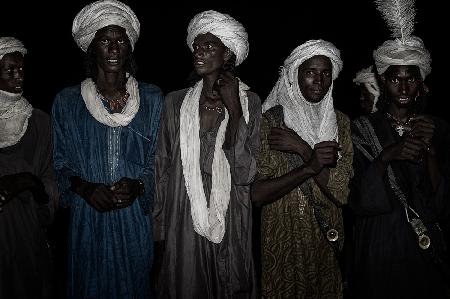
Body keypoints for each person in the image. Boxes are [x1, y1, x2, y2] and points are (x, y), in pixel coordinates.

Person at [51, 1, 163, 298]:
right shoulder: (67, 102)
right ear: (92, 48)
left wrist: (138, 186)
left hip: (134, 222)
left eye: (120, 41)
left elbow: (159, 162)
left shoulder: (151, 100)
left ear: (130, 48)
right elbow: (60, 164)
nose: (113, 49)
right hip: (88, 220)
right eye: (105, 41)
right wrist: (85, 188)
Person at [153, 10, 261, 298]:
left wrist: (235, 110)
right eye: (196, 47)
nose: (199, 52)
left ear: (227, 54)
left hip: (231, 214)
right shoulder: (175, 102)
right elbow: (162, 167)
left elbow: (245, 172)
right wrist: (160, 230)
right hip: (182, 214)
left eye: (209, 46)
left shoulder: (250, 101)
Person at [350, 0, 450, 297]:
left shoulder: (439, 128)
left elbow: (442, 202)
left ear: (421, 83)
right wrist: (386, 156)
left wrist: (430, 150)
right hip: (380, 244)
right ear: (383, 80)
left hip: (424, 244)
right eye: (395, 79)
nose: (403, 88)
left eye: (411, 79)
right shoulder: (361, 129)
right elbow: (357, 199)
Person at [252, 39, 354, 298]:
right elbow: (257, 195)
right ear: (294, 75)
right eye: (310, 72)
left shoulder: (340, 124)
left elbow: (341, 193)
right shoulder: (270, 123)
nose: (319, 80)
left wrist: (303, 149)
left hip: (325, 241)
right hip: (281, 241)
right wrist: (310, 167)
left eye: (325, 73)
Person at [0, 37, 58, 299]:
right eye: (9, 69)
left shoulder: (39, 122)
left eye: (21, 69)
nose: (18, 76)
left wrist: (27, 181)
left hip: (28, 237)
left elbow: (50, 183)